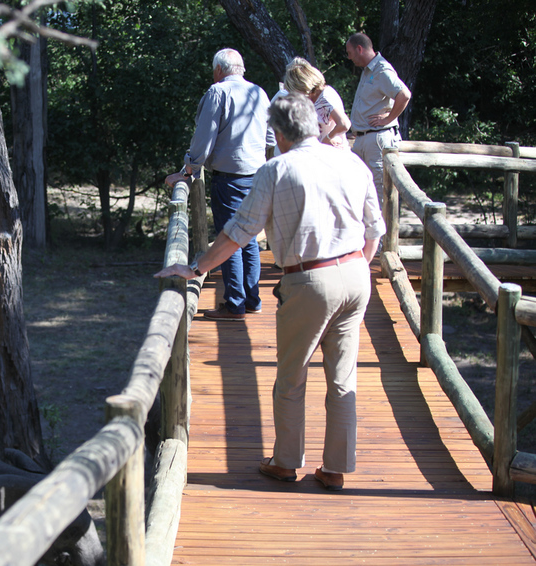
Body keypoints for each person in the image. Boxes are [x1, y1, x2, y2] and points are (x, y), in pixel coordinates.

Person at [155, 94, 385, 491]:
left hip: (310, 280)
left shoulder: (278, 169)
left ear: (278, 133)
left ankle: (285, 461)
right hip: (356, 274)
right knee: (343, 378)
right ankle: (335, 468)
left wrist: (196, 269)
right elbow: (375, 229)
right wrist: (358, 266)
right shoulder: (351, 161)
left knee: (292, 376)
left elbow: (237, 233)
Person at [165, 48, 269, 321]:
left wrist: (189, 169)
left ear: (218, 70)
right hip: (258, 175)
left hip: (230, 178)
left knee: (229, 237)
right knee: (249, 239)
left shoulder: (218, 92)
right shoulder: (260, 93)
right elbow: (270, 136)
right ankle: (252, 299)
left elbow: (204, 137)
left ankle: (235, 303)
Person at [346, 32, 412, 206]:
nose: (349, 57)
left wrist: (388, 118)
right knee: (362, 190)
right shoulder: (368, 71)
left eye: (350, 52)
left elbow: (404, 94)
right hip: (364, 139)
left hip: (377, 139)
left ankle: (384, 233)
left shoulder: (381, 69)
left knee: (380, 192)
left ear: (359, 49)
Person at [282, 57, 351, 150]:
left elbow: (344, 124)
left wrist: (327, 139)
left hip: (334, 155)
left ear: (302, 85)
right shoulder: (313, 98)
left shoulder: (325, 97)